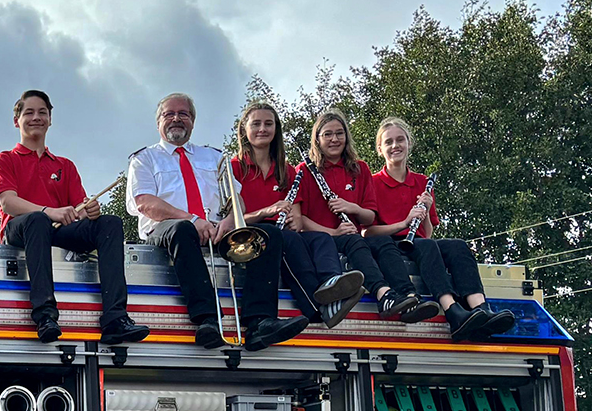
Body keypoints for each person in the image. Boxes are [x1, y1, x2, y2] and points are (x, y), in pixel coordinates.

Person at [0, 89, 150, 346]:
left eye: (42, 112)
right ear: (16, 121)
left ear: (50, 119)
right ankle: (45, 316)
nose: (36, 117)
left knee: (109, 223)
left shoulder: (65, 165)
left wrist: (90, 211)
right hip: (21, 229)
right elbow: (8, 202)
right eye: (29, 112)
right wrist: (48, 211)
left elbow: (79, 207)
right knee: (37, 220)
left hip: (56, 229)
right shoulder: (5, 159)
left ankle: (115, 318)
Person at [226, 100, 363, 350]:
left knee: (320, 238)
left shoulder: (287, 171)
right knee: (280, 237)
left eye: (268, 124)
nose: (262, 129)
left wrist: (292, 220)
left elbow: (298, 220)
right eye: (256, 124)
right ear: (244, 129)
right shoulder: (232, 168)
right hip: (251, 235)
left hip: (281, 235)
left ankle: (331, 285)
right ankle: (315, 308)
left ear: (276, 129)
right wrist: (267, 211)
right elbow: (230, 220)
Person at [365, 118, 516, 342]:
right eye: (388, 142)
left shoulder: (422, 182)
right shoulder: (372, 183)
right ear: (380, 149)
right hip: (390, 244)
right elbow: (367, 233)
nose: (395, 146)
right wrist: (404, 223)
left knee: (457, 246)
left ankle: (480, 308)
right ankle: (452, 310)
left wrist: (425, 210)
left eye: (400, 140)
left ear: (409, 143)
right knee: (426, 246)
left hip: (418, 242)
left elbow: (427, 233)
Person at [294, 109, 438, 322]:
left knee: (378, 242)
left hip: (350, 235)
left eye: (340, 133)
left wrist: (351, 208)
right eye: (327, 134)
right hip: (318, 237)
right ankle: (382, 295)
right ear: (317, 139)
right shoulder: (304, 170)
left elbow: (369, 218)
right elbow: (299, 220)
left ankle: (404, 296)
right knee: (356, 242)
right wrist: (333, 231)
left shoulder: (359, 169)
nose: (334, 139)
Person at [127, 93, 236, 348]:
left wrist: (230, 221)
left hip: (216, 230)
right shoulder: (144, 159)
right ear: (158, 122)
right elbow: (145, 203)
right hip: (166, 232)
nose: (176, 118)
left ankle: (261, 320)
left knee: (267, 236)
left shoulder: (214, 156)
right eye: (169, 114)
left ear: (193, 121)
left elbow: (236, 197)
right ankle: (208, 319)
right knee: (183, 229)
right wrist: (194, 219)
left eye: (183, 114)